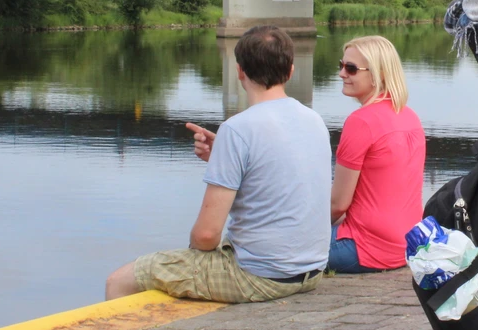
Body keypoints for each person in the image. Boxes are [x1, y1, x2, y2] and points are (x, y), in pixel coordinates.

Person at [105, 26, 332, 302]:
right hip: (311, 270)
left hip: (263, 277)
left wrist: (192, 257)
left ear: (240, 72)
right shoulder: (314, 120)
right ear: (291, 71)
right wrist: (222, 157)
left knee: (120, 280)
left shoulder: (238, 129)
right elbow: (278, 170)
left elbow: (206, 235)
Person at [328, 36, 425, 273]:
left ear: (379, 74)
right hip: (408, 246)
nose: (342, 73)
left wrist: (304, 231)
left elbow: (338, 204)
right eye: (341, 65)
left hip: (366, 249)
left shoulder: (361, 121)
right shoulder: (409, 115)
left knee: (275, 242)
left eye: (351, 68)